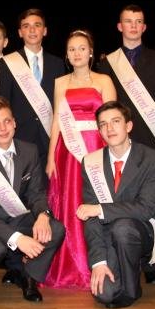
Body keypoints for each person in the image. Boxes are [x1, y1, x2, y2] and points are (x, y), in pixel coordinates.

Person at [0, 96, 65, 302]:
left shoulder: (29, 151)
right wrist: (18, 239)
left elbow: (36, 193)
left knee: (55, 230)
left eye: (7, 121)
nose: (3, 128)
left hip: (19, 217)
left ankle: (29, 277)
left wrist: (43, 215)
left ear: (14, 123)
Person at [44, 30, 116, 289]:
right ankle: (70, 264)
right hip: (67, 151)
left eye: (82, 48)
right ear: (67, 54)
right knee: (70, 201)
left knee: (94, 200)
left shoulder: (104, 80)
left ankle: (98, 261)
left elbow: (112, 119)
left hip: (96, 146)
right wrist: (51, 157)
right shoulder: (60, 82)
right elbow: (56, 121)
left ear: (91, 52)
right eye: (72, 49)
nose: (77, 53)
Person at [77, 101, 155, 308]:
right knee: (104, 294)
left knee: (123, 228)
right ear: (99, 131)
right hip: (107, 235)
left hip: (139, 232)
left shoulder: (151, 158)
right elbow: (90, 218)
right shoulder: (90, 162)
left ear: (128, 126)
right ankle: (121, 271)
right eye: (103, 124)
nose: (110, 128)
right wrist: (99, 262)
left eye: (115, 121)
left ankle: (132, 291)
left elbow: (145, 208)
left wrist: (100, 209)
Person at [97, 5, 155, 161]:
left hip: (152, 138)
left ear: (144, 27)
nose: (133, 26)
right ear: (120, 26)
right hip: (119, 138)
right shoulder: (107, 63)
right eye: (128, 21)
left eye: (138, 22)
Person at [0, 8, 66, 164]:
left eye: (37, 25)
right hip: (20, 137)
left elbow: (61, 104)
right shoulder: (8, 62)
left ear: (45, 31)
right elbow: (2, 101)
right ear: (20, 32)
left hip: (49, 138)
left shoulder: (57, 63)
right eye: (26, 26)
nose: (32, 30)